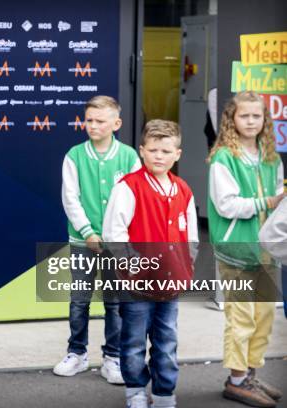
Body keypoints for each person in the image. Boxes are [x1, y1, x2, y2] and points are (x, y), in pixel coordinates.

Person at [103, 119, 199, 408]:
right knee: (132, 342)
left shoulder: (183, 190)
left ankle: (164, 393)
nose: (159, 156)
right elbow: (113, 231)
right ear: (142, 151)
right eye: (153, 150)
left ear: (178, 154)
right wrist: (130, 264)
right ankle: (135, 392)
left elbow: (191, 234)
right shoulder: (128, 187)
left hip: (170, 283)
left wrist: (188, 262)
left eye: (166, 151)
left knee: (166, 342)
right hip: (136, 284)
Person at [56, 95, 140, 383]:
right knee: (79, 300)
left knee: (115, 302)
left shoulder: (129, 156)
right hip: (83, 242)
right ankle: (76, 353)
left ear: (116, 123)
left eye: (100, 121)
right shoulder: (74, 155)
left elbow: (133, 199)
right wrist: (87, 232)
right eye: (89, 120)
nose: (93, 125)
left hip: (117, 243)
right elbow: (70, 198)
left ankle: (113, 357)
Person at [207, 91, 284, 408]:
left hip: (266, 249)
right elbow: (226, 206)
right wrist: (267, 202)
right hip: (236, 250)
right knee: (241, 319)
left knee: (264, 317)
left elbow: (281, 199)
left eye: (257, 116)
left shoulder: (271, 156)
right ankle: (236, 380)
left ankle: (249, 374)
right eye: (244, 116)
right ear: (231, 119)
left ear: (264, 119)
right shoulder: (223, 158)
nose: (251, 121)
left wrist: (278, 202)